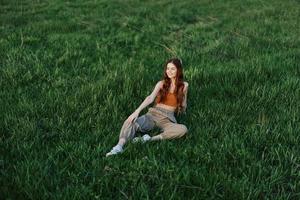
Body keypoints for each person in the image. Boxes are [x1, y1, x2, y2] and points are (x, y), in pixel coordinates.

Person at [106, 58, 189, 157]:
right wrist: (136, 112)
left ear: (178, 70)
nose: (169, 71)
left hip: (167, 119)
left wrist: (183, 110)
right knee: (130, 121)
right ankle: (119, 147)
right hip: (153, 115)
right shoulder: (161, 83)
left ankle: (148, 139)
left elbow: (184, 103)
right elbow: (150, 98)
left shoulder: (185, 85)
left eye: (172, 69)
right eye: (167, 68)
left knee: (183, 129)